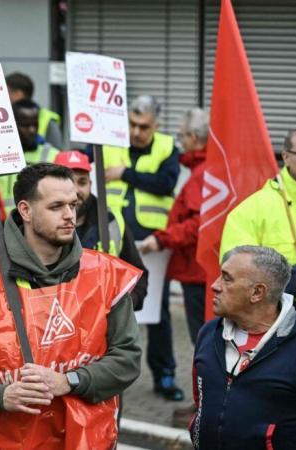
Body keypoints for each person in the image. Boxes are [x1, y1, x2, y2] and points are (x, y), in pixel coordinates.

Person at [0, 163, 142, 449]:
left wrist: (69, 380)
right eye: (56, 206)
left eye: (73, 204)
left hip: (88, 440)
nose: (70, 215)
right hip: (4, 441)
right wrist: (0, 395)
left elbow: (127, 359)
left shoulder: (105, 275)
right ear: (26, 211)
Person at [92, 94, 183, 401]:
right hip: (114, 241)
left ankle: (165, 375)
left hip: (152, 245)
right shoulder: (110, 143)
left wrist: (124, 173)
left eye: (143, 126)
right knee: (105, 309)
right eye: (131, 124)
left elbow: (166, 182)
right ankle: (100, 374)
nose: (136, 132)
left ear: (155, 124)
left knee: (157, 313)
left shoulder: (168, 147)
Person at [190, 245, 296, 449]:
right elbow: (200, 399)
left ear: (257, 292)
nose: (215, 285)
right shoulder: (208, 332)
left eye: (227, 278)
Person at [140, 107, 208, 343]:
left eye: (181, 136)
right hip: (201, 268)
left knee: (201, 339)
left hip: (198, 271)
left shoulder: (202, 174)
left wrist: (161, 239)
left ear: (193, 137)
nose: (180, 142)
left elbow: (199, 223)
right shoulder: (204, 170)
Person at [56, 150, 148, 309]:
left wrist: (122, 308)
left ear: (91, 184)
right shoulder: (38, 225)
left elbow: (138, 276)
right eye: (68, 183)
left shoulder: (112, 222)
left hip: (103, 326)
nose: (76, 190)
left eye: (82, 182)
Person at [220, 127, 296, 299]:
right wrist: (289, 281)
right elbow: (235, 272)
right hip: (278, 315)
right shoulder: (251, 210)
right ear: (286, 157)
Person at [0, 99, 60, 213]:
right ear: (12, 125)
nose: (32, 130)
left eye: (35, 125)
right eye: (25, 125)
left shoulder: (54, 155)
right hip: (1, 226)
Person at [5, 71, 63, 148]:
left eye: (7, 91)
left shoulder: (47, 119)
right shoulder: (3, 118)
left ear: (18, 94)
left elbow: (55, 152)